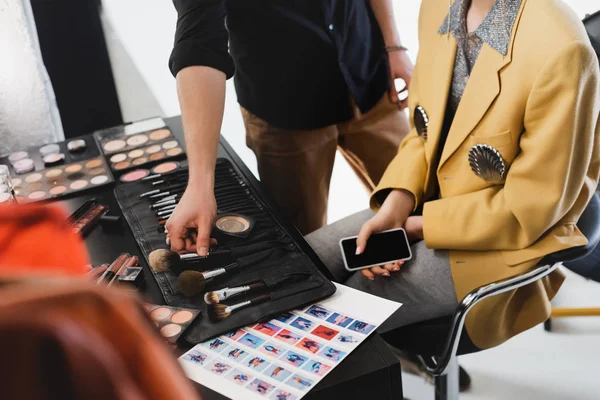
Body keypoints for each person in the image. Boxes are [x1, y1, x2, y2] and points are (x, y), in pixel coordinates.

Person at [306, 0, 600, 353]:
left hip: (508, 238)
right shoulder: (437, 6)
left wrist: (417, 225)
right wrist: (397, 206)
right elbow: (423, 132)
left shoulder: (563, 49)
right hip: (434, 203)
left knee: (334, 316)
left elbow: (529, 212)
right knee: (303, 262)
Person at [166, 0, 412, 255]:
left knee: (420, 203)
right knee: (306, 246)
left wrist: (394, 46)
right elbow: (198, 44)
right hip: (285, 111)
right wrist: (200, 184)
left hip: (367, 74)